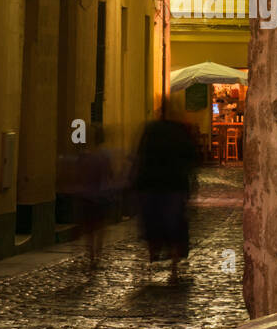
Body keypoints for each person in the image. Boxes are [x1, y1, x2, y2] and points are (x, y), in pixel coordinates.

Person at [131, 113, 200, 284]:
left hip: (151, 184)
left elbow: (139, 155)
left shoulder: (151, 130)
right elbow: (192, 156)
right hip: (173, 185)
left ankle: (154, 253)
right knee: (174, 224)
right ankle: (174, 267)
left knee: (152, 220)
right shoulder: (179, 132)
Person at [71, 126, 115, 268]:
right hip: (100, 196)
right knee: (100, 228)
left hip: (85, 196)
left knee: (89, 229)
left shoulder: (84, 156)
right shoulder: (104, 155)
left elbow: (77, 176)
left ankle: (90, 256)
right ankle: (97, 256)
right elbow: (109, 174)